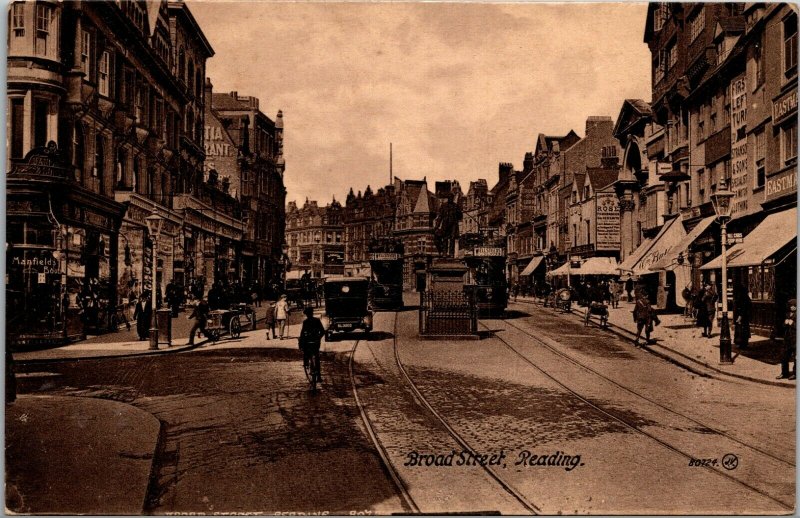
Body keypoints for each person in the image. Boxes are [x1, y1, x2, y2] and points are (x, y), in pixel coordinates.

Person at [299, 306, 326, 371]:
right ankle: (319, 376)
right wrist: (318, 337)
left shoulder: (305, 322)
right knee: (317, 357)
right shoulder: (317, 320)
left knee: (306, 352)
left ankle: (306, 363)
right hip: (316, 342)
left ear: (306, 314)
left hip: (308, 342)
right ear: (312, 313)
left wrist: (300, 343)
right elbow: (322, 331)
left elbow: (302, 334)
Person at [778, 299, 796, 380]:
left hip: (796, 339)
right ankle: (784, 373)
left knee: (796, 357)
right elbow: (783, 326)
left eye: (794, 306)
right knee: (784, 356)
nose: (792, 307)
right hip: (787, 338)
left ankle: (795, 373)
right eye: (791, 306)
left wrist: (793, 324)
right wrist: (785, 323)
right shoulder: (787, 314)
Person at [734, 285, 752, 350]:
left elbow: (743, 308)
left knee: (742, 331)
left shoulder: (743, 298)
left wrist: (740, 316)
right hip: (745, 317)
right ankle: (743, 344)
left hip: (743, 317)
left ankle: (743, 344)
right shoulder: (746, 298)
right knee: (744, 330)